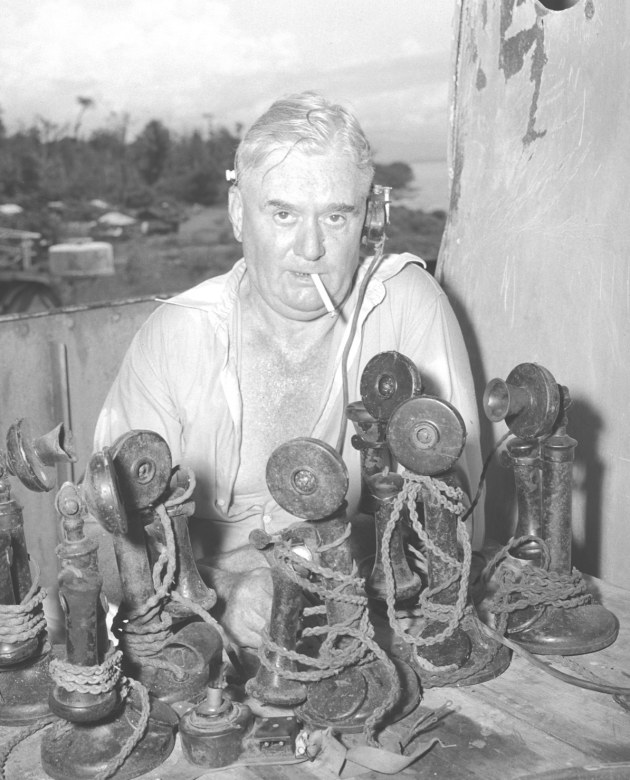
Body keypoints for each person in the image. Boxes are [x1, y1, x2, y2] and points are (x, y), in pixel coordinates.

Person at [94, 91, 483, 653]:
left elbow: (459, 521)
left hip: (350, 617)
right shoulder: (175, 335)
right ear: (236, 214)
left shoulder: (404, 305)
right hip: (196, 624)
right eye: (282, 214)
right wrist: (226, 590)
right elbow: (106, 555)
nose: (310, 248)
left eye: (336, 215)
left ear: (368, 218)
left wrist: (330, 571)